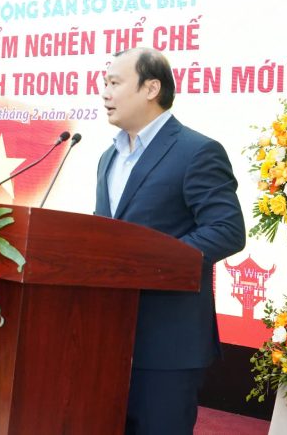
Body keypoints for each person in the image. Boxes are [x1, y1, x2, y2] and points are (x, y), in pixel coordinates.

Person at [95, 47, 245, 435]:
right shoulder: (106, 158)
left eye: (114, 82)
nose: (104, 92)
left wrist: (147, 263)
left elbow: (226, 230)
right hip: (109, 338)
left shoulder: (196, 152)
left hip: (168, 343)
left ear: (151, 88)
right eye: (105, 83)